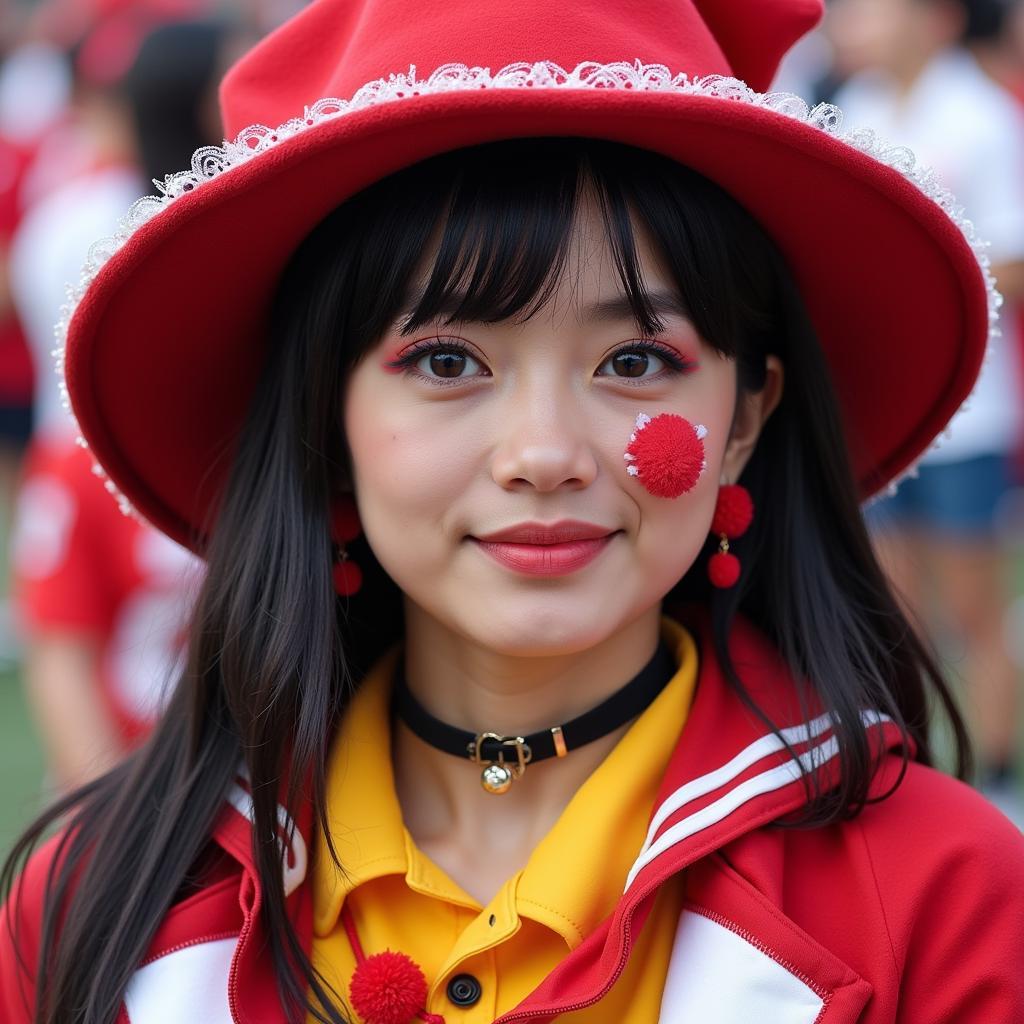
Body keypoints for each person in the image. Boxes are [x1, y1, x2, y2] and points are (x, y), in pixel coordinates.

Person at [2, 0, 1023, 1021]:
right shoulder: (95, 904)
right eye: (446, 361)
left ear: (745, 418)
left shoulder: (949, 899)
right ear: (325, 419)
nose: (543, 454)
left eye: (635, 361)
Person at [829, 0, 1024, 816]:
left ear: (937, 20)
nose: (854, 21)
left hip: (968, 415)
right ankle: (919, 788)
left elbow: (1012, 261)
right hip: (881, 406)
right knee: (893, 603)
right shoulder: (856, 111)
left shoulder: (979, 115)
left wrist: (920, 289)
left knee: (972, 608)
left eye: (876, 6)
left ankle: (997, 780)